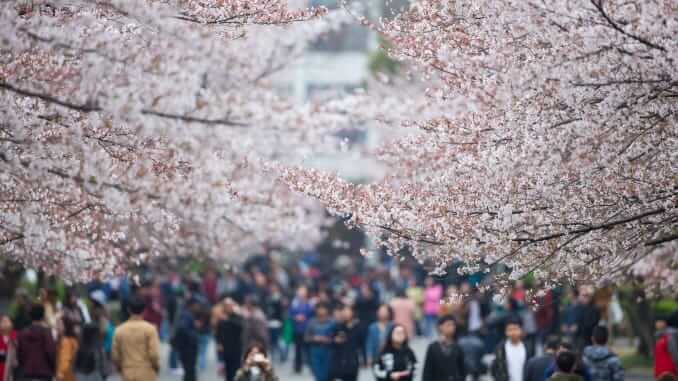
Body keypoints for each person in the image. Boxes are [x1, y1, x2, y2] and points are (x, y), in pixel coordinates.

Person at [112, 295, 160, 381]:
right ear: (144, 310)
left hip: (127, 372)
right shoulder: (150, 329)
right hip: (146, 372)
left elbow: (115, 356)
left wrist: (120, 368)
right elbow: (154, 354)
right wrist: (156, 367)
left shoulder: (119, 330)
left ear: (128, 310)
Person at [16, 304, 57, 381]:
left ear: (30, 316)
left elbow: (20, 354)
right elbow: (51, 352)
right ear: (43, 316)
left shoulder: (22, 333)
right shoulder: (46, 332)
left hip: (27, 373)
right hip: (44, 373)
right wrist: (54, 369)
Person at [422, 315, 466, 381]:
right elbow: (427, 371)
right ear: (440, 327)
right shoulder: (433, 347)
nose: (452, 327)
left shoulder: (458, 347)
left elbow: (463, 371)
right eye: (448, 325)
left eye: (453, 325)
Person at [329, 304, 361, 381]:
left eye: (348, 311)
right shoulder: (338, 326)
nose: (346, 313)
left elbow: (361, 342)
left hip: (352, 359)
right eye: (344, 311)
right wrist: (335, 340)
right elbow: (331, 341)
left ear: (352, 312)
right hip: (339, 359)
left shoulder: (358, 326)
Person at [216, 298, 244, 381]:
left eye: (230, 306)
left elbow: (240, 327)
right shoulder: (222, 318)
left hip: (235, 348)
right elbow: (218, 332)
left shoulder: (237, 316)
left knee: (236, 370)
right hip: (225, 348)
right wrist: (218, 343)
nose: (228, 308)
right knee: (227, 371)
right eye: (226, 306)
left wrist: (228, 320)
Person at [174, 300, 204, 381]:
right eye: (197, 305)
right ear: (192, 305)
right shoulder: (186, 315)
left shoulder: (188, 314)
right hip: (188, 348)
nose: (198, 307)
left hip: (187, 347)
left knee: (189, 370)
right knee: (189, 370)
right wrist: (193, 335)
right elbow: (182, 328)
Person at [305, 303, 335, 381]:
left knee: (327, 374)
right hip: (315, 350)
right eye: (319, 309)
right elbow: (306, 337)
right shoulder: (312, 322)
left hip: (328, 350)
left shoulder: (332, 322)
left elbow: (336, 336)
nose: (321, 311)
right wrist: (314, 338)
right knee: (318, 375)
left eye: (323, 309)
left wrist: (329, 339)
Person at [289, 285, 313, 374]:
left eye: (303, 291)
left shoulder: (309, 303)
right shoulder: (294, 303)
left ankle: (311, 366)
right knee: (297, 349)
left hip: (306, 329)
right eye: (300, 291)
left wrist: (305, 318)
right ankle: (297, 367)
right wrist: (296, 317)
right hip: (297, 329)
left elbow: (312, 314)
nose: (301, 293)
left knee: (308, 349)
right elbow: (289, 314)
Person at [655, 314, 678, 379]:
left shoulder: (669, 336)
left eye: (660, 322)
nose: (658, 324)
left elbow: (675, 353)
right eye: (657, 322)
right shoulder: (659, 336)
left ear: (665, 323)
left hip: (669, 371)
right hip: (660, 370)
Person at [0, 315, 17, 381]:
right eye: (3, 321)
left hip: (12, 371)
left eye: (7, 321)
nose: (5, 324)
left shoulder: (16, 336)